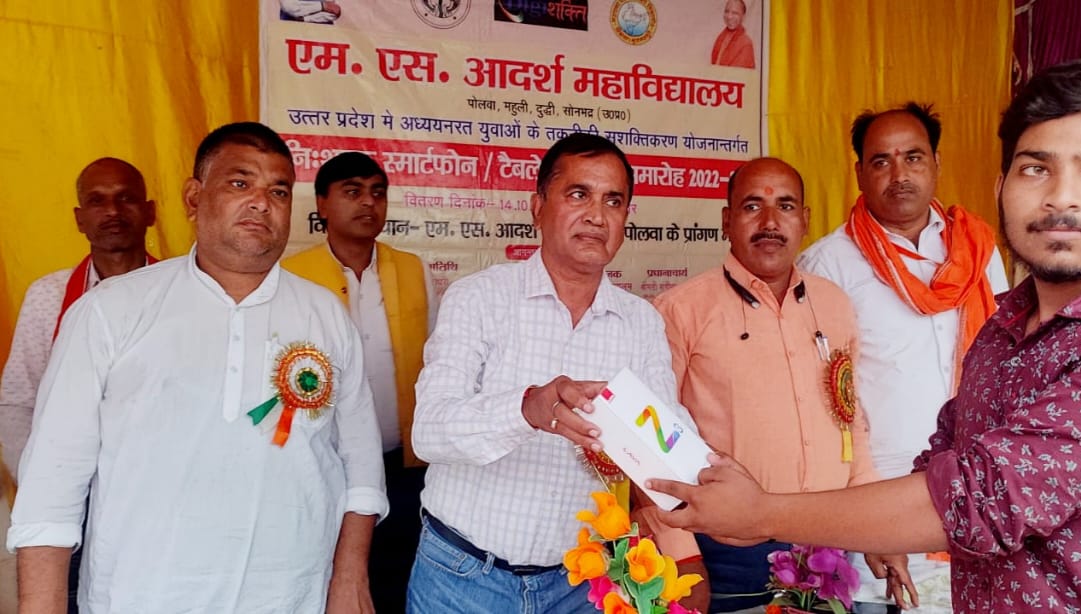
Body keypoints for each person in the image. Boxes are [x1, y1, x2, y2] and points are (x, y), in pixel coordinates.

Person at [652, 59, 1081, 612]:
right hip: (853, 524)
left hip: (861, 520)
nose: (1062, 197)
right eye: (1036, 168)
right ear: (1003, 186)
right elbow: (935, 453)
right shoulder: (1001, 329)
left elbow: (981, 495)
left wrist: (764, 511)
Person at [6, 122, 387, 613]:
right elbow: (52, 481)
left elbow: (360, 462)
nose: (260, 202)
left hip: (291, 595)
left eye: (278, 191)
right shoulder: (109, 311)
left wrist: (351, 577)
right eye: (240, 183)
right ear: (193, 198)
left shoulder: (325, 314)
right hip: (142, 597)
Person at [409, 133, 691, 614]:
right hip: (463, 577)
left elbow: (665, 448)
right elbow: (429, 432)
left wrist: (694, 465)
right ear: (538, 207)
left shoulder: (641, 322)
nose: (597, 216)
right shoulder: (479, 298)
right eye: (579, 194)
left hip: (580, 585)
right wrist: (527, 410)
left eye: (613, 201)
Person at [647, 157, 910, 613]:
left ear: (804, 220)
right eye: (753, 206)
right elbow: (651, 446)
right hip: (728, 553)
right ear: (727, 220)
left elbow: (851, 425)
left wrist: (878, 531)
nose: (770, 222)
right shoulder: (680, 311)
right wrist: (681, 556)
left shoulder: (833, 304)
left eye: (785, 206)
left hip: (829, 542)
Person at [797, 101, 1007, 611]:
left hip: (976, 487)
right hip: (878, 496)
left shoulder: (978, 250)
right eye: (881, 161)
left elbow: (1004, 358)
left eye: (913, 157)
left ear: (936, 163)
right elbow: (814, 402)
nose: (899, 175)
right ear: (859, 173)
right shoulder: (827, 264)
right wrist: (861, 517)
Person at [283, 151, 433, 614]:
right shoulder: (290, 277)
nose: (368, 202)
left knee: (400, 576)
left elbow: (434, 360)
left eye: (377, 192)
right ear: (322, 204)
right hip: (326, 465)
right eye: (352, 191)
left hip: (405, 465)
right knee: (336, 580)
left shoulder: (413, 269)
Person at [0, 158, 158, 475]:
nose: (113, 211)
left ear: (150, 212)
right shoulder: (49, 295)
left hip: (159, 476)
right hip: (71, 481)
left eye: (126, 198)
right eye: (97, 201)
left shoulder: (185, 293)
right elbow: (17, 402)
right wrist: (41, 482)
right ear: (79, 219)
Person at [710, 0, 754, 69]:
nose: (729, 17)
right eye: (727, 11)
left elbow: (737, 73)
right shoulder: (721, 37)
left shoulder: (746, 43)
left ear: (743, 16)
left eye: (735, 13)